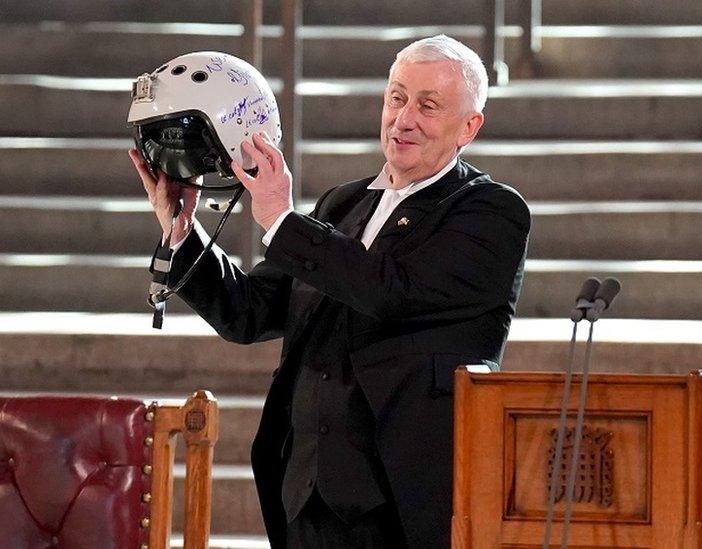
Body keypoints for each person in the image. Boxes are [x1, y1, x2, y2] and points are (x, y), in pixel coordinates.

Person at [129, 35, 530, 548]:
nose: (404, 119)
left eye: (428, 106)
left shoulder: (491, 212)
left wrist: (281, 218)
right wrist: (183, 230)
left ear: (469, 127)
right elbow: (250, 313)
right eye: (396, 97)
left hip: (405, 504)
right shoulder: (342, 203)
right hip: (306, 497)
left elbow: (391, 291)